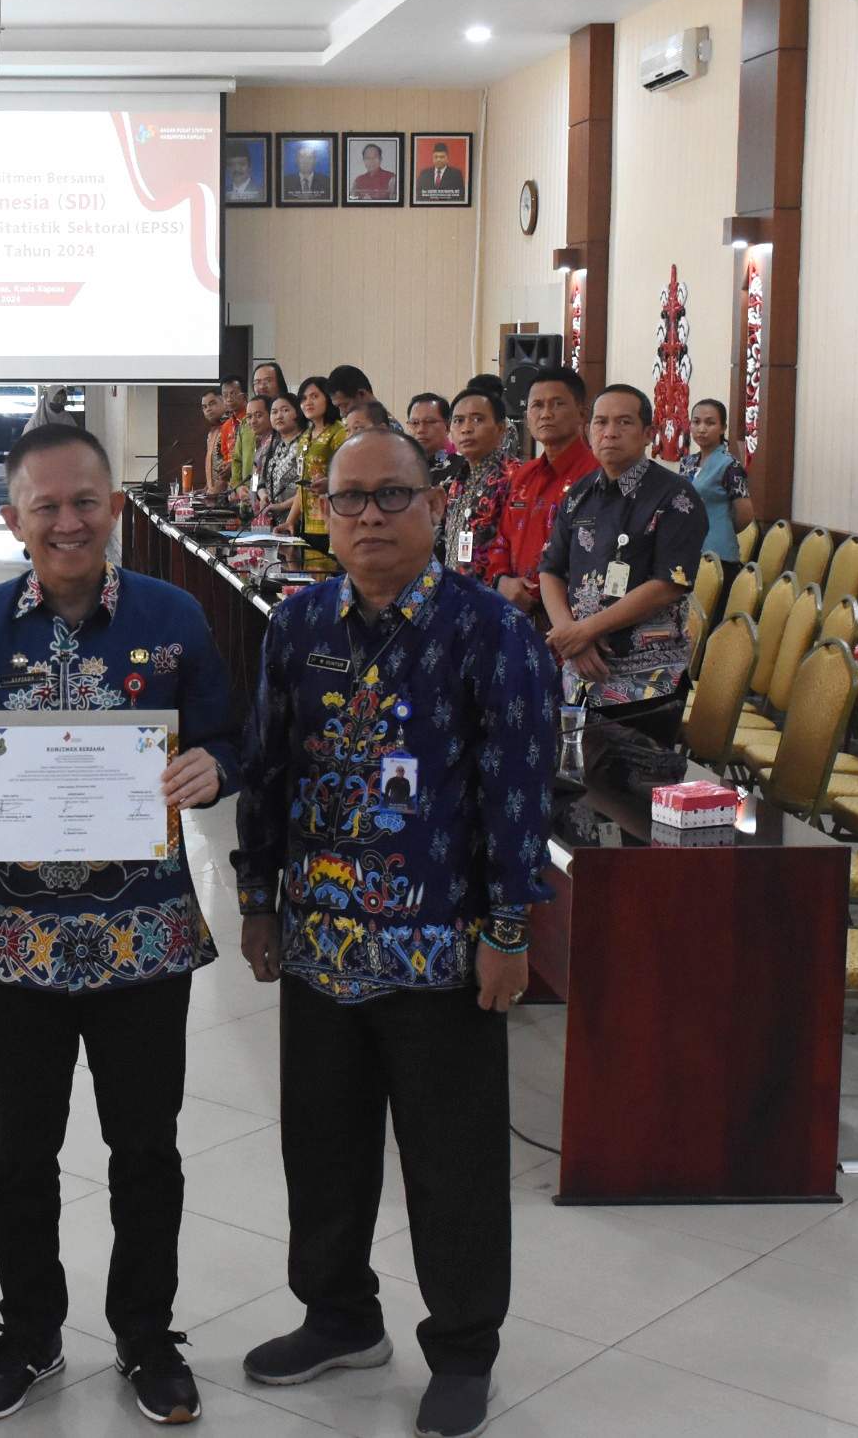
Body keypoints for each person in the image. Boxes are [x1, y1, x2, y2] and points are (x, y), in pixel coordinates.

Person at [0, 425, 235, 1425]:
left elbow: (228, 732)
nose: (67, 521)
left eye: (85, 500)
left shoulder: (176, 617)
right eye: (44, 505)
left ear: (114, 507)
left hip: (144, 936)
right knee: (20, 1152)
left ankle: (145, 1334)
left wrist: (214, 767)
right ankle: (28, 1331)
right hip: (12, 940)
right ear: (11, 519)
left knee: (146, 1148)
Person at [232, 426, 555, 1438]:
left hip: (441, 949)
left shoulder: (488, 633)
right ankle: (337, 1314)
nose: (368, 516)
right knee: (322, 1149)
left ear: (434, 504)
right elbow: (267, 768)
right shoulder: (297, 623)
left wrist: (508, 928)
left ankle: (462, 1346)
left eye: (390, 496)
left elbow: (515, 791)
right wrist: (256, 898)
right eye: (349, 500)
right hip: (321, 945)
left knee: (451, 1160)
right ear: (323, 513)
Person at [538, 386, 706, 742]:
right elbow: (550, 570)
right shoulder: (579, 495)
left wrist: (586, 631)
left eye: (624, 422)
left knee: (633, 789)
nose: (609, 432)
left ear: (648, 434)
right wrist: (572, 634)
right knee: (576, 782)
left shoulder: (676, 496)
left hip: (647, 682)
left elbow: (668, 585)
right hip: (582, 669)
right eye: (600, 422)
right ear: (589, 430)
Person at [492, 367, 598, 619]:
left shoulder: (597, 475)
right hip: (516, 613)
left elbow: (592, 551)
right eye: (537, 405)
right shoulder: (522, 475)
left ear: (582, 414)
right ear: (527, 416)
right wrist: (502, 580)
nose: (546, 414)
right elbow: (501, 538)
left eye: (557, 404)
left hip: (573, 619)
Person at [438, 388, 514, 582]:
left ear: (500, 428)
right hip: (458, 592)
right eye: (458, 421)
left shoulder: (514, 478)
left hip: (495, 597)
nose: (466, 428)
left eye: (477, 419)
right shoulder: (458, 479)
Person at [677, 398, 756, 563]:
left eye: (710, 423)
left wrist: (722, 527)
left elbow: (745, 514)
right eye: (696, 422)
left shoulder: (730, 465)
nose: (702, 429)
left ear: (723, 428)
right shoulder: (687, 462)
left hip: (718, 551)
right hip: (687, 545)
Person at [294, 377, 348, 558]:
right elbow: (300, 486)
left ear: (328, 398)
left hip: (331, 521)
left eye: (314, 396)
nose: (307, 402)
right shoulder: (304, 437)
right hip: (306, 523)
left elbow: (346, 476)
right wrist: (290, 521)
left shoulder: (339, 432)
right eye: (303, 398)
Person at [262, 392, 306, 530]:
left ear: (298, 412)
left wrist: (281, 506)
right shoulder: (273, 445)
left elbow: (307, 487)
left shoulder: (305, 443)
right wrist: (262, 496)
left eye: (285, 410)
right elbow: (256, 478)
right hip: (275, 520)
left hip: (300, 519)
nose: (279, 416)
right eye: (274, 412)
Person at [230, 392, 274, 510]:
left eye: (258, 415)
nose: (252, 421)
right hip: (256, 510)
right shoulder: (261, 445)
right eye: (249, 417)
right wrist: (247, 492)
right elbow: (255, 478)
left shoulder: (276, 444)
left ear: (272, 415)